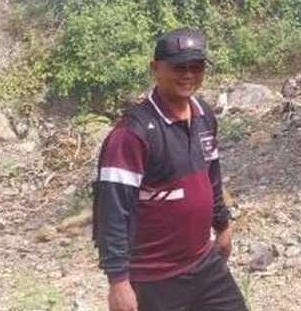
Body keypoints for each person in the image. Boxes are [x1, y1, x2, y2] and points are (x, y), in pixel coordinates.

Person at [92, 28, 247, 311]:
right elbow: (112, 210)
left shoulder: (203, 116)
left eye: (196, 67)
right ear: (155, 69)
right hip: (154, 277)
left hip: (204, 264)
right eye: (178, 67)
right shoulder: (132, 134)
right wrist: (118, 282)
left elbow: (212, 177)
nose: (188, 75)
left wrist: (222, 225)